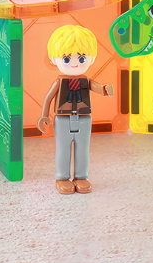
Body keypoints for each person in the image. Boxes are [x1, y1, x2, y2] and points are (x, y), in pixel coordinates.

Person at [37, 25, 113, 194]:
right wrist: (44, 116)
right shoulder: (59, 82)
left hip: (84, 119)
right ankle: (62, 177)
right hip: (62, 119)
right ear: (53, 59)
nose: (74, 64)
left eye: (81, 59)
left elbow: (97, 87)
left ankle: (81, 176)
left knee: (83, 148)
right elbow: (48, 98)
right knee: (63, 147)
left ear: (91, 59)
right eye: (66, 59)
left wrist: (105, 90)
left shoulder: (86, 81)